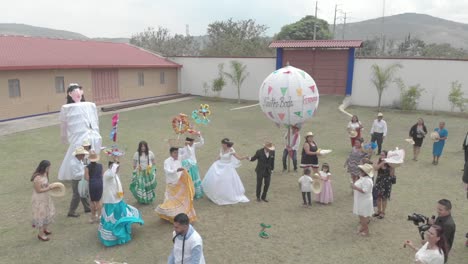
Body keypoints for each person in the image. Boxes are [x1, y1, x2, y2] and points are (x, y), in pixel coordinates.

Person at [58, 83, 102, 182]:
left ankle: (89, 169)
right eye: (74, 92)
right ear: (70, 94)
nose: (78, 93)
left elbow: (95, 120)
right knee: (80, 154)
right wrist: (64, 136)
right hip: (80, 136)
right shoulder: (67, 107)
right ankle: (81, 172)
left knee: (90, 151)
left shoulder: (89, 105)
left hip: (90, 133)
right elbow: (64, 124)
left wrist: (95, 130)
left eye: (79, 91)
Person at [98, 158, 144, 247]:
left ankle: (122, 233)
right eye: (116, 167)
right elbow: (112, 174)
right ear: (111, 167)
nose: (118, 169)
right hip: (111, 202)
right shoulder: (107, 174)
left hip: (118, 200)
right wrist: (115, 161)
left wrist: (121, 191)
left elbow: (117, 183)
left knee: (121, 216)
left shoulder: (114, 174)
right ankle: (113, 238)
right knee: (112, 219)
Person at [202, 138, 249, 205]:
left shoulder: (231, 150)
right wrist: (215, 162)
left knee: (225, 182)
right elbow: (220, 156)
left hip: (227, 168)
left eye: (222, 144)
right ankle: (215, 193)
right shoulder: (221, 149)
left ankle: (224, 195)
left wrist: (245, 157)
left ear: (225, 144)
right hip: (219, 165)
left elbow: (239, 158)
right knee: (215, 180)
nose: (222, 145)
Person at [156, 148, 197, 222]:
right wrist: (176, 170)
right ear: (171, 153)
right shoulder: (167, 161)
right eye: (175, 153)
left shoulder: (180, 158)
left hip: (180, 182)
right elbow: (167, 170)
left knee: (180, 198)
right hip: (171, 183)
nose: (176, 154)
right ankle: (168, 214)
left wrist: (186, 145)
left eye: (177, 153)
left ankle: (178, 213)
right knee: (170, 199)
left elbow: (188, 154)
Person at [31, 160, 55, 241]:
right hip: (39, 198)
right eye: (48, 167)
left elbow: (46, 184)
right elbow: (38, 190)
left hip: (46, 197)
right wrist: (49, 188)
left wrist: (49, 185)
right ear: (43, 167)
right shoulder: (37, 177)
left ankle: (45, 229)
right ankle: (41, 235)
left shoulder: (45, 174)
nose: (49, 169)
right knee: (41, 215)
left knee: (47, 212)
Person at [67, 146, 91, 217]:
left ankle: (87, 208)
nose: (84, 156)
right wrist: (85, 172)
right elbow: (75, 175)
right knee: (76, 196)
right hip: (76, 181)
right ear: (78, 155)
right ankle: (71, 211)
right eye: (82, 154)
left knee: (84, 193)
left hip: (82, 179)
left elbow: (85, 165)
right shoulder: (73, 163)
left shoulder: (81, 160)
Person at [179, 133, 204, 199]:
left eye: (193, 142)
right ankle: (187, 193)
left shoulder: (194, 145)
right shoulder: (181, 148)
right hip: (186, 166)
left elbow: (201, 143)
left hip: (193, 165)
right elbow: (180, 157)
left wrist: (200, 136)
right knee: (187, 179)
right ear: (188, 141)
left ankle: (195, 193)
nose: (193, 143)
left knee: (194, 179)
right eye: (192, 142)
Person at [351, 163, 374, 236]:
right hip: (361, 199)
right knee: (361, 216)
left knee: (363, 216)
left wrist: (355, 187)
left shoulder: (367, 180)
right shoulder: (363, 178)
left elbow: (365, 191)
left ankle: (366, 231)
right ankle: (362, 228)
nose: (360, 171)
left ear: (364, 172)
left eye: (361, 171)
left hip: (364, 200)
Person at [372, 151, 395, 219]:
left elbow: (391, 174)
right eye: (381, 155)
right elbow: (375, 168)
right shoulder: (379, 161)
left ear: (386, 156)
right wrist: (382, 162)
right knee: (378, 197)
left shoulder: (390, 163)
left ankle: (383, 212)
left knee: (384, 198)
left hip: (386, 183)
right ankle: (378, 211)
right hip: (379, 181)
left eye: (383, 155)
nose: (381, 156)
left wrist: (392, 166)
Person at [85, 151, 103, 223]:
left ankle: (93, 217)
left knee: (92, 201)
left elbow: (86, 177)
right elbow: (102, 175)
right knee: (98, 201)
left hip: (92, 184)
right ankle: (99, 216)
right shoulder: (100, 166)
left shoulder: (87, 167)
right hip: (99, 183)